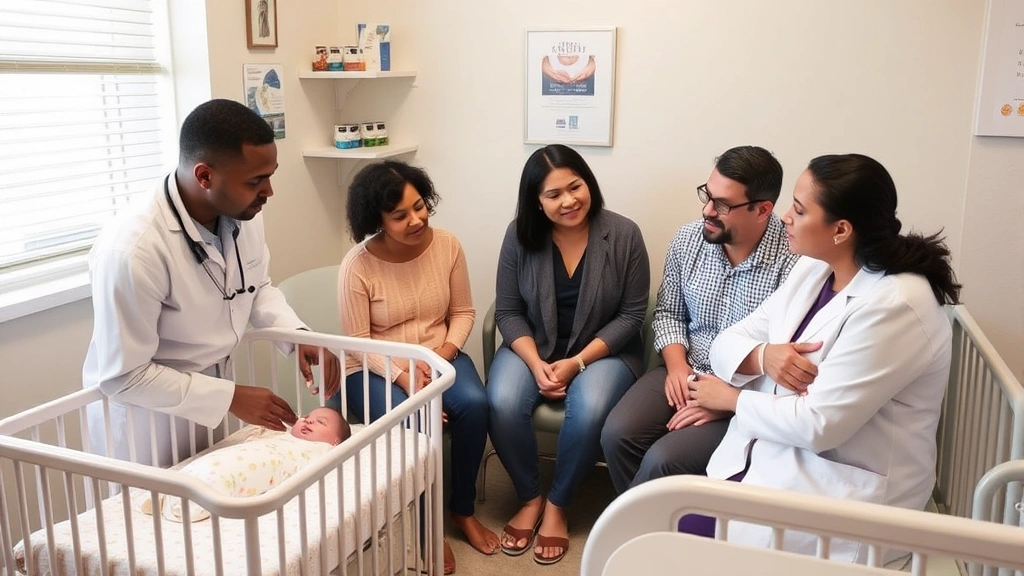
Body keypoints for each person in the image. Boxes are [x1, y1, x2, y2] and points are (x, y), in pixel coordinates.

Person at [685, 153, 961, 562]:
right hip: (769, 462)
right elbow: (728, 342)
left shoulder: (897, 305)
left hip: (839, 497)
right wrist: (764, 356)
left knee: (697, 549)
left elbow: (818, 425)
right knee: (682, 535)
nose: (784, 218)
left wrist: (731, 399)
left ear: (841, 230)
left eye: (798, 209)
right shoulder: (812, 270)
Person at [82, 98, 341, 469]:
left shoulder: (243, 211)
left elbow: (256, 286)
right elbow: (123, 375)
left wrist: (296, 334)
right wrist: (231, 397)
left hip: (206, 405)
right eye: (256, 181)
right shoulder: (133, 251)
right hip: (147, 423)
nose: (269, 191)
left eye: (270, 175)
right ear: (205, 176)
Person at [601, 145, 799, 494]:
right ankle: (651, 529)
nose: (707, 210)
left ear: (762, 210)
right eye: (707, 196)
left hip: (745, 388)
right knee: (617, 434)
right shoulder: (687, 240)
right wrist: (677, 368)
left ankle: (641, 535)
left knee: (664, 459)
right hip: (685, 365)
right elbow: (668, 313)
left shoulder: (794, 263)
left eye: (722, 205)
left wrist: (727, 402)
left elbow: (784, 355)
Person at [487, 144, 650, 565]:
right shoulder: (518, 235)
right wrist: (536, 362)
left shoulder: (624, 233)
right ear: (536, 202)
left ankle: (558, 504)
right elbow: (507, 310)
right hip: (533, 345)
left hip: (604, 351)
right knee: (501, 400)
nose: (568, 201)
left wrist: (577, 362)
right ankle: (529, 496)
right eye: (553, 194)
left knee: (592, 406)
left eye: (575, 187)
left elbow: (632, 314)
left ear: (588, 183)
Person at [335, 160, 496, 575]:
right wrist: (407, 378)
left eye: (420, 206)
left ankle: (462, 510)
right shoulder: (357, 266)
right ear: (378, 220)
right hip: (372, 369)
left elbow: (463, 311)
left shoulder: (447, 245)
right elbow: (359, 342)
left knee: (477, 405)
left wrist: (439, 356)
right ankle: (429, 525)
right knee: (417, 421)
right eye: (400, 215)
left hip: (438, 356)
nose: (416, 220)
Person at [155, 407, 351, 523]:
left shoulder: (324, 451)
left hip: (258, 467)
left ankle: (195, 498)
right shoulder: (277, 435)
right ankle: (175, 487)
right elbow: (250, 443)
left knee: (231, 476)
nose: (308, 421)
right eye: (307, 417)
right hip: (233, 458)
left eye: (320, 422)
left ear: (335, 442)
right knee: (215, 463)